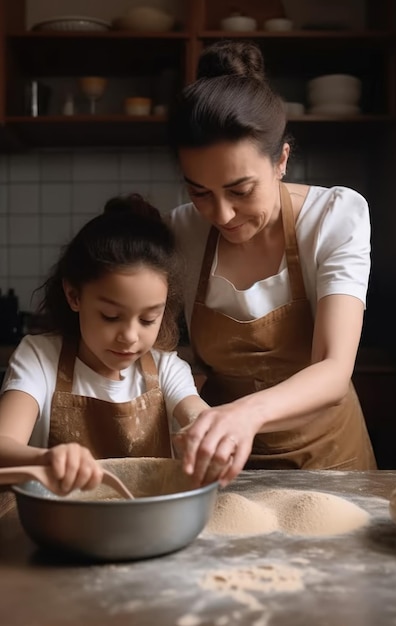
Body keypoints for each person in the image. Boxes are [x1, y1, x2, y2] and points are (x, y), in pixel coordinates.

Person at [168, 40, 377, 487]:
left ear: (281, 159)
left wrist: (245, 415)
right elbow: (163, 352)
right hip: (225, 466)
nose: (221, 215)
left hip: (331, 461)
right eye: (199, 192)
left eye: (241, 190)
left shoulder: (333, 216)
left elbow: (333, 368)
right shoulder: (183, 230)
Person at [0, 194, 209, 495]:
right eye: (111, 316)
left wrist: (206, 430)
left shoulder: (168, 369)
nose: (130, 336)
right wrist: (47, 459)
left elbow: (196, 413)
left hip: (150, 527)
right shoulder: (39, 358)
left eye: (148, 319)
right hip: (60, 527)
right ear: (74, 296)